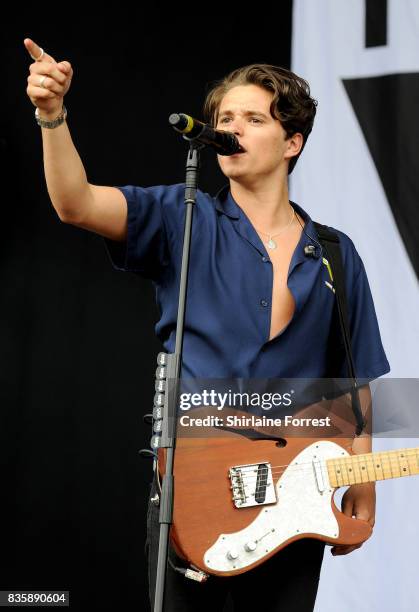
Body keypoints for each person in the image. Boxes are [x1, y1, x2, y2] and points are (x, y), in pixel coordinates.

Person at [24, 37, 390, 612]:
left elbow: (355, 383)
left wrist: (363, 482)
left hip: (295, 494)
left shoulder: (337, 255)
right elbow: (75, 203)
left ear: (292, 141)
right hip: (196, 487)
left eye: (252, 117)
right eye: (224, 118)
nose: (232, 128)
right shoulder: (183, 215)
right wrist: (52, 116)